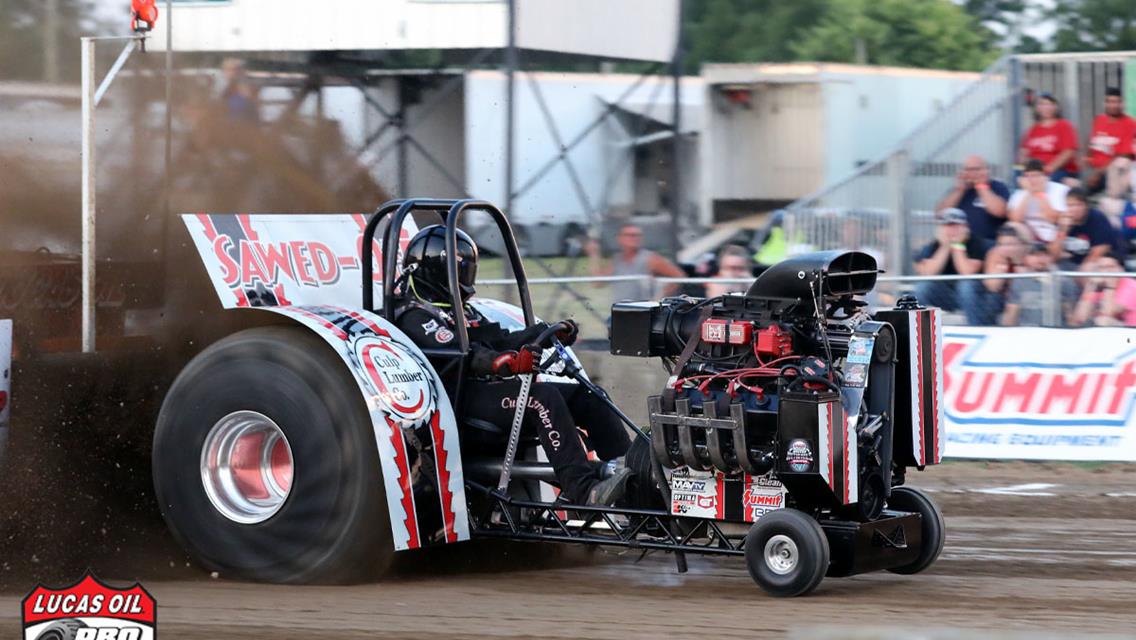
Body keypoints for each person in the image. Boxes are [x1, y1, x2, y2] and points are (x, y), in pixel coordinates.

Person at [394, 225, 633, 506]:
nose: (466, 278)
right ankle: (583, 491)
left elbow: (501, 339)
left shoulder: (460, 310)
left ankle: (634, 477)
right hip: (457, 406)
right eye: (462, 270)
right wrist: (498, 363)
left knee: (590, 395)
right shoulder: (414, 315)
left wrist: (547, 333)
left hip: (492, 395)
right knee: (540, 398)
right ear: (439, 269)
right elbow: (460, 354)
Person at [913, 208, 989, 325]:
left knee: (966, 285)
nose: (952, 230)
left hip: (974, 296)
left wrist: (958, 245)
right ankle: (919, 327)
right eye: (947, 226)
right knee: (923, 286)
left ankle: (976, 326)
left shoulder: (977, 243)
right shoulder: (933, 246)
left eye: (956, 225)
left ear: (965, 227)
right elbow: (927, 273)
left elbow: (967, 272)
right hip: (944, 295)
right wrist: (946, 246)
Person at [586, 223, 687, 304]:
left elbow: (679, 276)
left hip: (642, 314)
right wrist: (594, 255)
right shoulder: (616, 260)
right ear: (620, 238)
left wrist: (659, 298)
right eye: (630, 235)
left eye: (638, 235)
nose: (635, 238)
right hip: (619, 313)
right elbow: (597, 283)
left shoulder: (651, 258)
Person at [936, 155, 1011, 241]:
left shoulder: (997, 187)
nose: (972, 173)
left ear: (986, 170)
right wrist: (959, 191)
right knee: (927, 251)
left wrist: (981, 186)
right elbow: (940, 214)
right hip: (959, 240)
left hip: (988, 241)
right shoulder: (958, 190)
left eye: (976, 169)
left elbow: (1000, 211)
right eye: (967, 169)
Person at [1002, 242, 1077, 327]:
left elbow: (1069, 314)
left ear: (1051, 258)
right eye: (1035, 255)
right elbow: (1012, 314)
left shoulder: (1064, 282)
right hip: (1026, 333)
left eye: (1044, 255)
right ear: (1026, 258)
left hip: (1056, 333)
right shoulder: (1019, 282)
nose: (1040, 259)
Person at [1049, 187, 1121, 270]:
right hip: (1069, 264)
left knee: (1089, 267)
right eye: (1070, 205)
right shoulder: (1064, 220)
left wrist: (1081, 272)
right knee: (1050, 268)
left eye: (1078, 205)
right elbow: (1053, 256)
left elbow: (1099, 251)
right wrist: (1062, 230)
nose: (1074, 209)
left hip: (1094, 263)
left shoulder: (1097, 218)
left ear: (1086, 205)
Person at [1019, 92, 1080, 185]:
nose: (1045, 107)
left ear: (1055, 107)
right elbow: (1024, 152)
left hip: (1058, 170)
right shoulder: (1033, 129)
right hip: (1035, 172)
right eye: (1042, 104)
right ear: (1037, 108)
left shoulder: (1064, 125)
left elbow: (1068, 152)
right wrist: (1027, 166)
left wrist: (1048, 168)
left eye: (1049, 104)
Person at [1083, 88, 1136, 194]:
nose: (1113, 106)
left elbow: (1125, 155)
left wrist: (1098, 173)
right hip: (1093, 169)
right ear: (1105, 103)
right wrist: (1086, 160)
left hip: (1113, 172)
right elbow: (1091, 144)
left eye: (1117, 102)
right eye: (1110, 102)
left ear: (1122, 104)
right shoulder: (1099, 120)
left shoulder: (1130, 124)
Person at [978, 223, 1031, 325]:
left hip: (1024, 296)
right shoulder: (994, 253)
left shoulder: (1030, 254)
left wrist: (1017, 266)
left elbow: (1032, 282)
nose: (1005, 248)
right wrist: (1002, 270)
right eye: (1001, 244)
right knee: (991, 298)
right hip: (1001, 297)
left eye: (1010, 244)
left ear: (1022, 245)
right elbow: (992, 287)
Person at [1008, 159, 1070, 243]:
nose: (1031, 180)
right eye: (1027, 176)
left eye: (1035, 176)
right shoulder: (1019, 194)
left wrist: (1040, 194)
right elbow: (1015, 220)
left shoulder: (1061, 190)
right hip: (1027, 237)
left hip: (1053, 237)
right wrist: (1029, 192)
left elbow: (1053, 219)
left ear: (1045, 177)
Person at [1070, 253, 1136, 327]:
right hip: (1113, 329)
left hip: (1131, 330)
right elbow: (1079, 318)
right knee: (1075, 324)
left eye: (1110, 267)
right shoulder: (1099, 286)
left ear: (1121, 269)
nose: (1106, 271)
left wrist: (1110, 286)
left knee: (1103, 320)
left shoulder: (1131, 285)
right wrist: (1090, 287)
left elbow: (1108, 312)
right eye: (1101, 268)